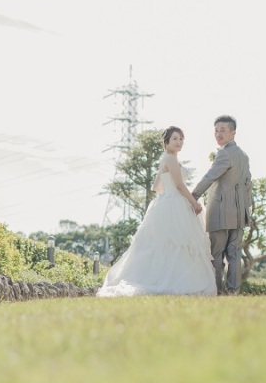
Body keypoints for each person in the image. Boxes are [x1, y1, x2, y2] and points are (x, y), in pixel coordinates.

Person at [97, 126, 217, 297]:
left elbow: (156, 187)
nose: (179, 142)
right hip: (175, 202)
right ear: (166, 141)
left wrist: (168, 194)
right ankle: (176, 282)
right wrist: (193, 203)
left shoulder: (167, 159)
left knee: (170, 245)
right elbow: (180, 185)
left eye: (181, 139)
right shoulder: (171, 159)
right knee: (178, 244)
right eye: (175, 139)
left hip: (168, 202)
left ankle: (164, 279)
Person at [191, 115, 252, 295]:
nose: (218, 134)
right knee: (234, 254)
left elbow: (210, 176)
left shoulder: (224, 153)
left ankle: (216, 291)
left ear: (233, 133)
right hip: (240, 213)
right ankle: (233, 291)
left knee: (216, 254)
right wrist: (247, 209)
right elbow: (248, 183)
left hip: (221, 210)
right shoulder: (243, 155)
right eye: (216, 131)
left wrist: (193, 196)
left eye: (223, 130)